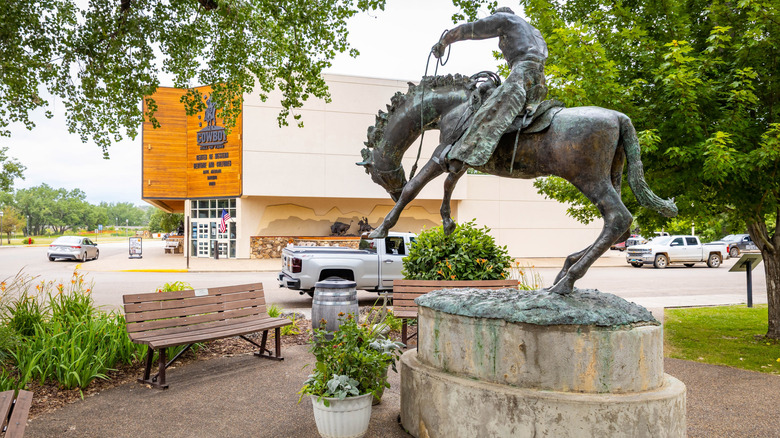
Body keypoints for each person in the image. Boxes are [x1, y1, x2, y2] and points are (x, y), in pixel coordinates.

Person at [431, 7, 548, 171]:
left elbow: (471, 29)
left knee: (488, 113)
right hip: (539, 83)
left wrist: (444, 41)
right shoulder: (534, 31)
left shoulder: (506, 19)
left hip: (521, 75)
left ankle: (461, 154)